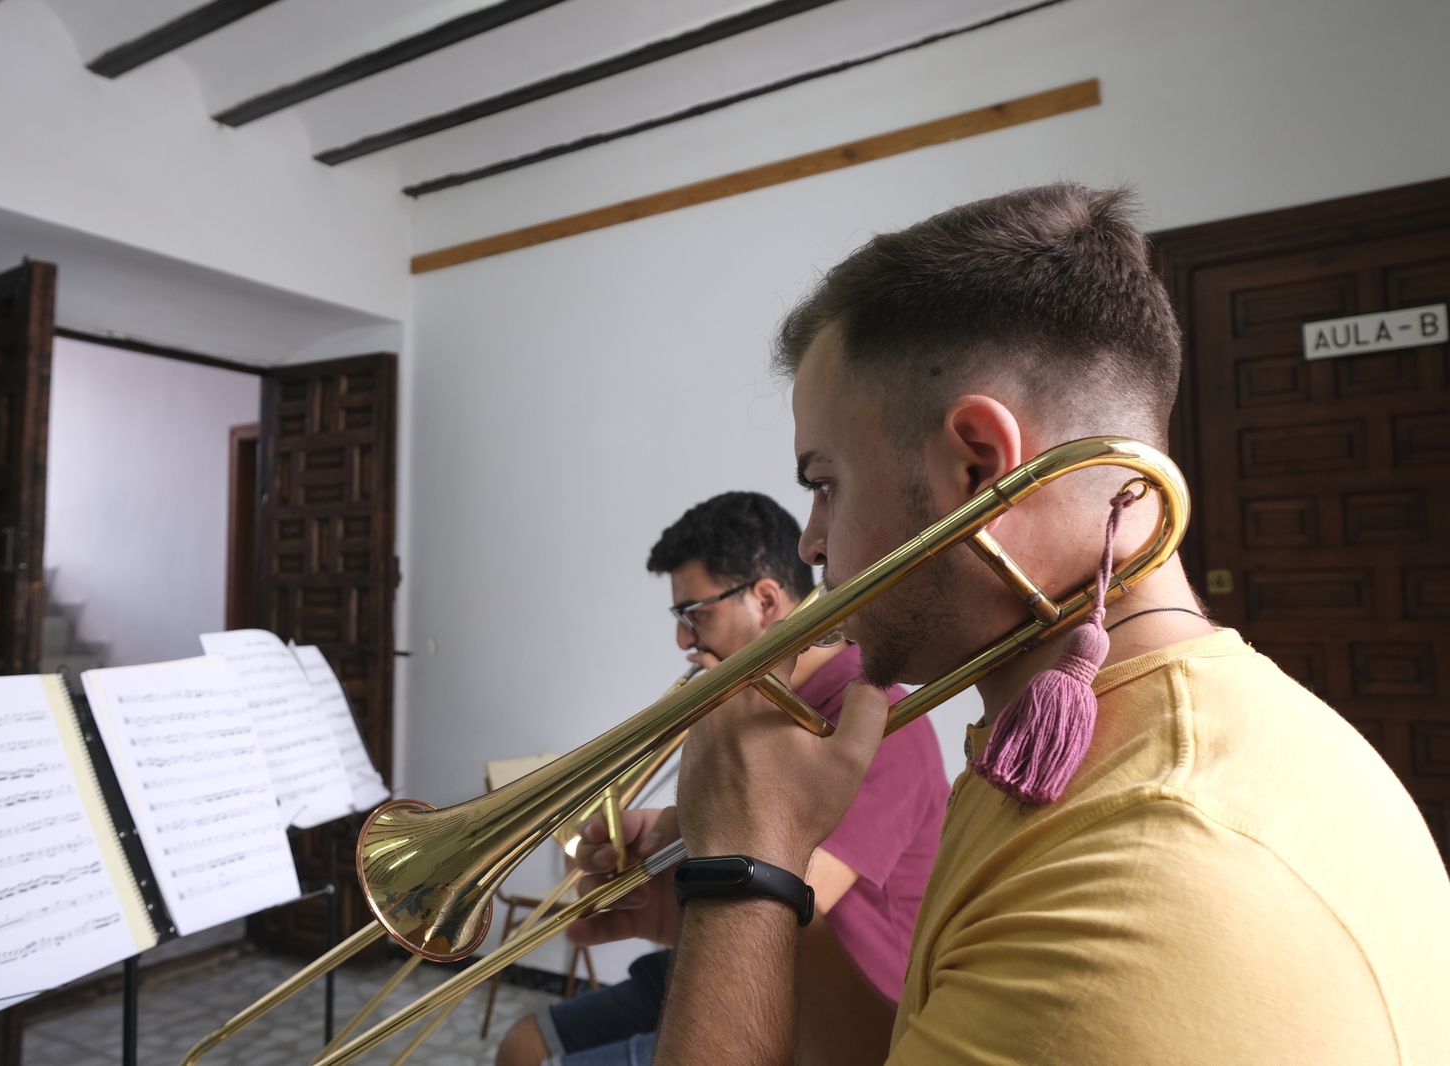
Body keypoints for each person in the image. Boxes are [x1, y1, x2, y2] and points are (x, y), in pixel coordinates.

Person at [574, 184, 1450, 1065]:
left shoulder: (1144, 876)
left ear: (977, 466)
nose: (811, 542)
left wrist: (740, 882)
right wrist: (746, 886)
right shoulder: (1115, 742)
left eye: (826, 483)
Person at [498, 491, 948, 1066]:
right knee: (522, 1045)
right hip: (733, 954)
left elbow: (784, 899)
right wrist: (652, 843)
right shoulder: (756, 715)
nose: (685, 641)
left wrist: (673, 863)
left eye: (696, 614)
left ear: (764, 600)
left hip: (832, 1014)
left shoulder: (875, 719)